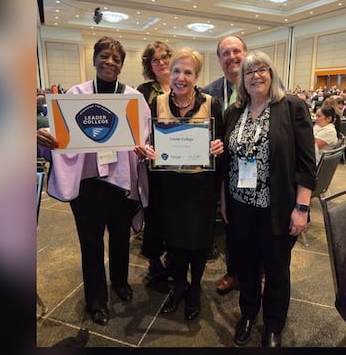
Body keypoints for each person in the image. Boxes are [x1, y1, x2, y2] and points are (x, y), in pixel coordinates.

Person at [37, 37, 151, 326]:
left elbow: (145, 134)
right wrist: (45, 138)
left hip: (121, 181)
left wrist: (144, 149)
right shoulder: (76, 94)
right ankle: (96, 301)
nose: (110, 62)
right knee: (90, 242)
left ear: (122, 65)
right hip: (87, 183)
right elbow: (60, 135)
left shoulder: (133, 98)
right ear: (94, 59)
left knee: (121, 238)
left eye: (116, 59)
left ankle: (121, 283)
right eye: (104, 56)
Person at [221, 50, 316, 347]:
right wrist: (224, 200)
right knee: (245, 265)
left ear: (271, 74)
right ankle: (248, 314)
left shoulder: (291, 107)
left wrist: (301, 207)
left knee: (276, 269)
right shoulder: (234, 112)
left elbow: (306, 163)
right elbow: (227, 162)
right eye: (249, 72)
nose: (255, 76)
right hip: (239, 205)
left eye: (262, 69)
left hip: (277, 207)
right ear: (242, 80)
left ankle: (274, 324)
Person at [134, 48, 224, 321]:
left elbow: (222, 144)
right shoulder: (157, 103)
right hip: (169, 186)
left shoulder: (211, 104)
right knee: (174, 241)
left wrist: (219, 147)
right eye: (176, 71)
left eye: (188, 72)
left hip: (201, 187)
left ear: (196, 76)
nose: (181, 77)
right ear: (169, 73)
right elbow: (149, 142)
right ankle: (180, 285)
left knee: (198, 242)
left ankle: (195, 287)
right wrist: (147, 150)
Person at [203, 35, 245, 296]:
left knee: (258, 227)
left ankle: (260, 273)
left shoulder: (264, 85)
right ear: (219, 59)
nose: (232, 57)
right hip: (222, 171)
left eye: (236, 51)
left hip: (257, 171)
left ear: (245, 53)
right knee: (232, 227)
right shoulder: (208, 92)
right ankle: (233, 272)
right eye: (225, 53)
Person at [136, 41, 174, 283]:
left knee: (175, 213)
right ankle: (154, 262)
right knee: (155, 212)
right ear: (149, 65)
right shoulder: (143, 91)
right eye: (155, 59)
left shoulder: (185, 85)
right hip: (153, 162)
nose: (161, 62)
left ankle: (174, 256)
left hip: (179, 163)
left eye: (164, 57)